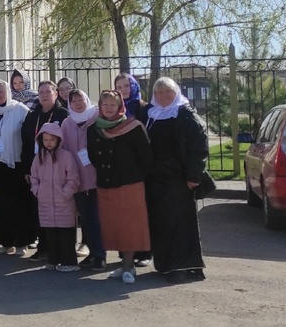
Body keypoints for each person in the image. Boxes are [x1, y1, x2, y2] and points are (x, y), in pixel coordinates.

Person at [143, 77, 208, 282]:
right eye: (158, 92)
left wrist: (193, 176)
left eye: (167, 92)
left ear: (176, 92)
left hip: (178, 178)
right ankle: (165, 265)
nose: (163, 96)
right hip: (155, 178)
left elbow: (199, 148)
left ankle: (183, 266)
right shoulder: (150, 114)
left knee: (179, 222)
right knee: (161, 222)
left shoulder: (186, 115)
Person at [88, 90, 153, 284]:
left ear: (120, 107)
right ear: (100, 107)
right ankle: (123, 264)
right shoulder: (94, 129)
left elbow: (146, 158)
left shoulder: (133, 127)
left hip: (129, 184)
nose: (108, 109)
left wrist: (134, 176)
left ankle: (128, 265)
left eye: (112, 105)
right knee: (113, 226)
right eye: (105, 105)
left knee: (130, 227)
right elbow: (93, 155)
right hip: (106, 184)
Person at [0, 80, 35, 257]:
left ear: (8, 92)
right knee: (2, 205)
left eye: (1, 91)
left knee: (20, 204)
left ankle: (23, 242)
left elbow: (29, 137)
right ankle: (6, 242)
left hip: (17, 163)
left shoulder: (20, 110)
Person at [19, 80, 69, 259]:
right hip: (37, 168)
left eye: (48, 92)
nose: (45, 95)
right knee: (39, 208)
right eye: (41, 92)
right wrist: (26, 170)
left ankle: (59, 249)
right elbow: (25, 144)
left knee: (59, 208)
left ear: (56, 94)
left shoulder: (63, 114)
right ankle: (43, 246)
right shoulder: (32, 116)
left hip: (58, 168)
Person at [61, 89, 106, 270]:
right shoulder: (67, 123)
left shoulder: (97, 118)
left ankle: (100, 255)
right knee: (85, 219)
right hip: (77, 178)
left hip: (96, 178)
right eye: (74, 101)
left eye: (80, 99)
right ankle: (93, 254)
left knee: (97, 218)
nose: (78, 103)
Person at [30, 122, 80, 272]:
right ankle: (53, 260)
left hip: (63, 203)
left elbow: (73, 178)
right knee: (51, 235)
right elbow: (33, 177)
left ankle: (69, 262)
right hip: (45, 203)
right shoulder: (39, 158)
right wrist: (37, 191)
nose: (49, 143)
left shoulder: (66, 156)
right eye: (45, 140)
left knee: (65, 235)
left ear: (58, 139)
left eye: (52, 139)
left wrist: (66, 193)